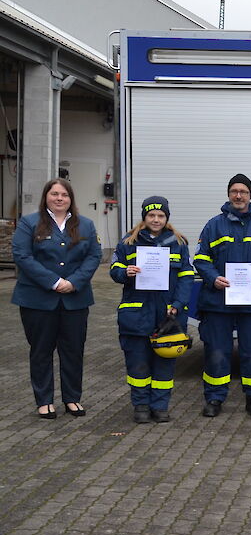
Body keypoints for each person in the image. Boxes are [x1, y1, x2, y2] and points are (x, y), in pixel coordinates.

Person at [11, 178, 102, 419]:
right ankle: (44, 400)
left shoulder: (86, 225)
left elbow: (94, 256)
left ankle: (72, 399)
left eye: (64, 194)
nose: (59, 198)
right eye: (54, 194)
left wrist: (74, 282)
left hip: (75, 298)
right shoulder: (29, 223)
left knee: (73, 351)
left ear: (71, 198)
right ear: (46, 197)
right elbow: (22, 255)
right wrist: (54, 281)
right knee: (41, 351)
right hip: (37, 300)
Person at [192, 174, 251, 418]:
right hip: (218, 301)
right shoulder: (213, 225)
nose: (238, 195)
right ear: (228, 195)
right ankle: (214, 398)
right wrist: (212, 277)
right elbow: (200, 257)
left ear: (250, 195)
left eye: (243, 191)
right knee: (217, 351)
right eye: (234, 191)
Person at [110, 196, 195, 423]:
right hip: (137, 313)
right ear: (144, 217)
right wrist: (124, 272)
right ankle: (140, 406)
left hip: (168, 315)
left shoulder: (178, 243)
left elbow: (187, 278)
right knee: (137, 363)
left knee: (165, 364)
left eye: (160, 216)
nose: (156, 220)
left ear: (167, 218)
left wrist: (177, 305)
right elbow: (114, 268)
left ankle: (160, 406)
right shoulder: (129, 242)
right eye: (151, 215)